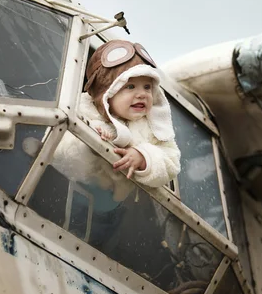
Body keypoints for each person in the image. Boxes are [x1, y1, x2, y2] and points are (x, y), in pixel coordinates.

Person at [49, 40, 181, 202]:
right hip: (67, 183)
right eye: (130, 87)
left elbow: (171, 163)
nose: (142, 94)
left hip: (115, 204)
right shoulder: (83, 109)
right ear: (107, 93)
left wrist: (144, 157)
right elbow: (60, 149)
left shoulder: (154, 128)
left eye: (147, 87)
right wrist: (91, 135)